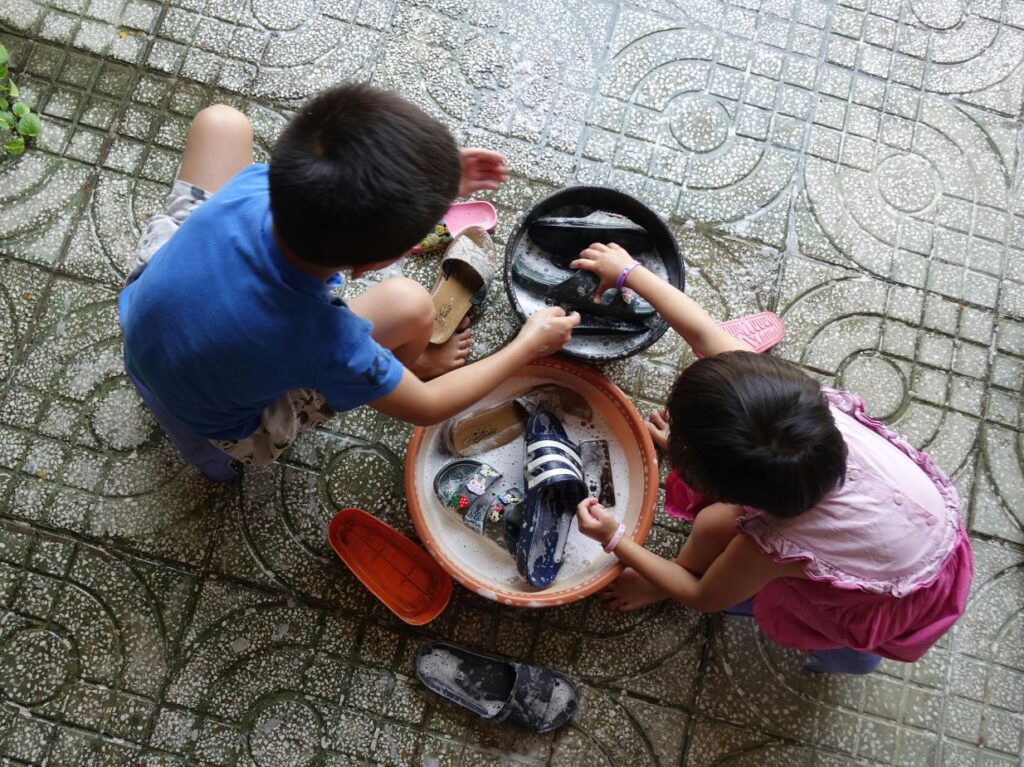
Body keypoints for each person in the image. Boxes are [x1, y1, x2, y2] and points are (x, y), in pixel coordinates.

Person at [119, 84, 579, 479]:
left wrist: (433, 180)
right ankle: (408, 365)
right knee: (411, 305)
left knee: (222, 121)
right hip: (226, 423)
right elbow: (427, 407)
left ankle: (396, 366)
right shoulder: (326, 341)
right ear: (372, 265)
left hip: (149, 304)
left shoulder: (257, 184)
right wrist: (526, 345)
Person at [571, 242, 973, 674]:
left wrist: (617, 541)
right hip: (913, 524)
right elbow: (704, 332)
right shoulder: (795, 411)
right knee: (710, 525)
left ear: (724, 490)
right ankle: (673, 562)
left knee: (827, 636)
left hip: (889, 600)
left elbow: (704, 596)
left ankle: (843, 660)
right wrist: (629, 272)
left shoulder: (772, 547)